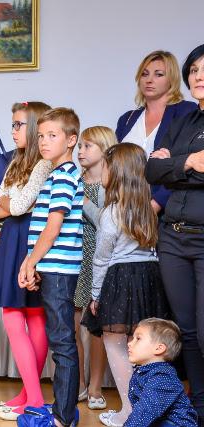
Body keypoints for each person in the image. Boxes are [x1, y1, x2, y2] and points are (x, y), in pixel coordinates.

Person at [82, 143, 169, 426]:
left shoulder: (112, 212)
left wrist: (95, 295)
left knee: (115, 345)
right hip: (150, 278)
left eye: (106, 167)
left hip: (120, 280)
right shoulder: (148, 210)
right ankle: (145, 411)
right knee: (144, 347)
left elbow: (101, 258)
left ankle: (130, 412)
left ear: (117, 173)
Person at [146, 43, 204, 424]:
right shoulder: (183, 120)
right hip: (172, 238)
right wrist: (191, 163)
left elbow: (166, 169)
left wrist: (174, 166)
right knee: (188, 331)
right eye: (194, 70)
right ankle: (199, 408)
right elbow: (151, 170)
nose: (198, 76)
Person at [0, 101, 52, 421]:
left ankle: (34, 399)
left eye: (18, 125)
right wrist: (9, 203)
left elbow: (19, 205)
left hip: (30, 238)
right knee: (16, 316)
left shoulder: (44, 164)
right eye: (12, 124)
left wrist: (8, 202)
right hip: (12, 237)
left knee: (31, 315)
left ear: (36, 126)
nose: (13, 131)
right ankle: (27, 395)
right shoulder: (15, 162)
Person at [17, 107, 83, 427]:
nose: (43, 141)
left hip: (59, 270)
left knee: (62, 342)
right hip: (51, 267)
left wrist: (31, 261)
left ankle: (63, 417)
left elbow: (53, 228)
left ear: (71, 140)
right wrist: (34, 264)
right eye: (41, 135)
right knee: (60, 340)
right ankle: (64, 410)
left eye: (52, 135)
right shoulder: (55, 175)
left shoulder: (66, 176)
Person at [115, 50, 198, 213]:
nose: (149, 80)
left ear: (171, 79)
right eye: (144, 74)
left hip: (166, 212)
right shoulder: (127, 119)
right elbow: (113, 165)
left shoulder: (186, 111)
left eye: (158, 74)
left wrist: (156, 204)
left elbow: (187, 166)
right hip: (123, 207)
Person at [74, 127, 116, 411]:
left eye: (88, 146)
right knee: (72, 325)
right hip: (73, 258)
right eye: (80, 145)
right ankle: (78, 382)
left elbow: (107, 222)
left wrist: (84, 200)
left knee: (96, 327)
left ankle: (96, 386)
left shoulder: (108, 185)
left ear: (105, 149)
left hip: (97, 261)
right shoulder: (74, 180)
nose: (80, 151)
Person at [125, 318, 198, 427]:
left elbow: (145, 411)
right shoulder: (143, 371)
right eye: (133, 338)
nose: (129, 343)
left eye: (138, 339)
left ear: (159, 348)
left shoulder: (162, 377)